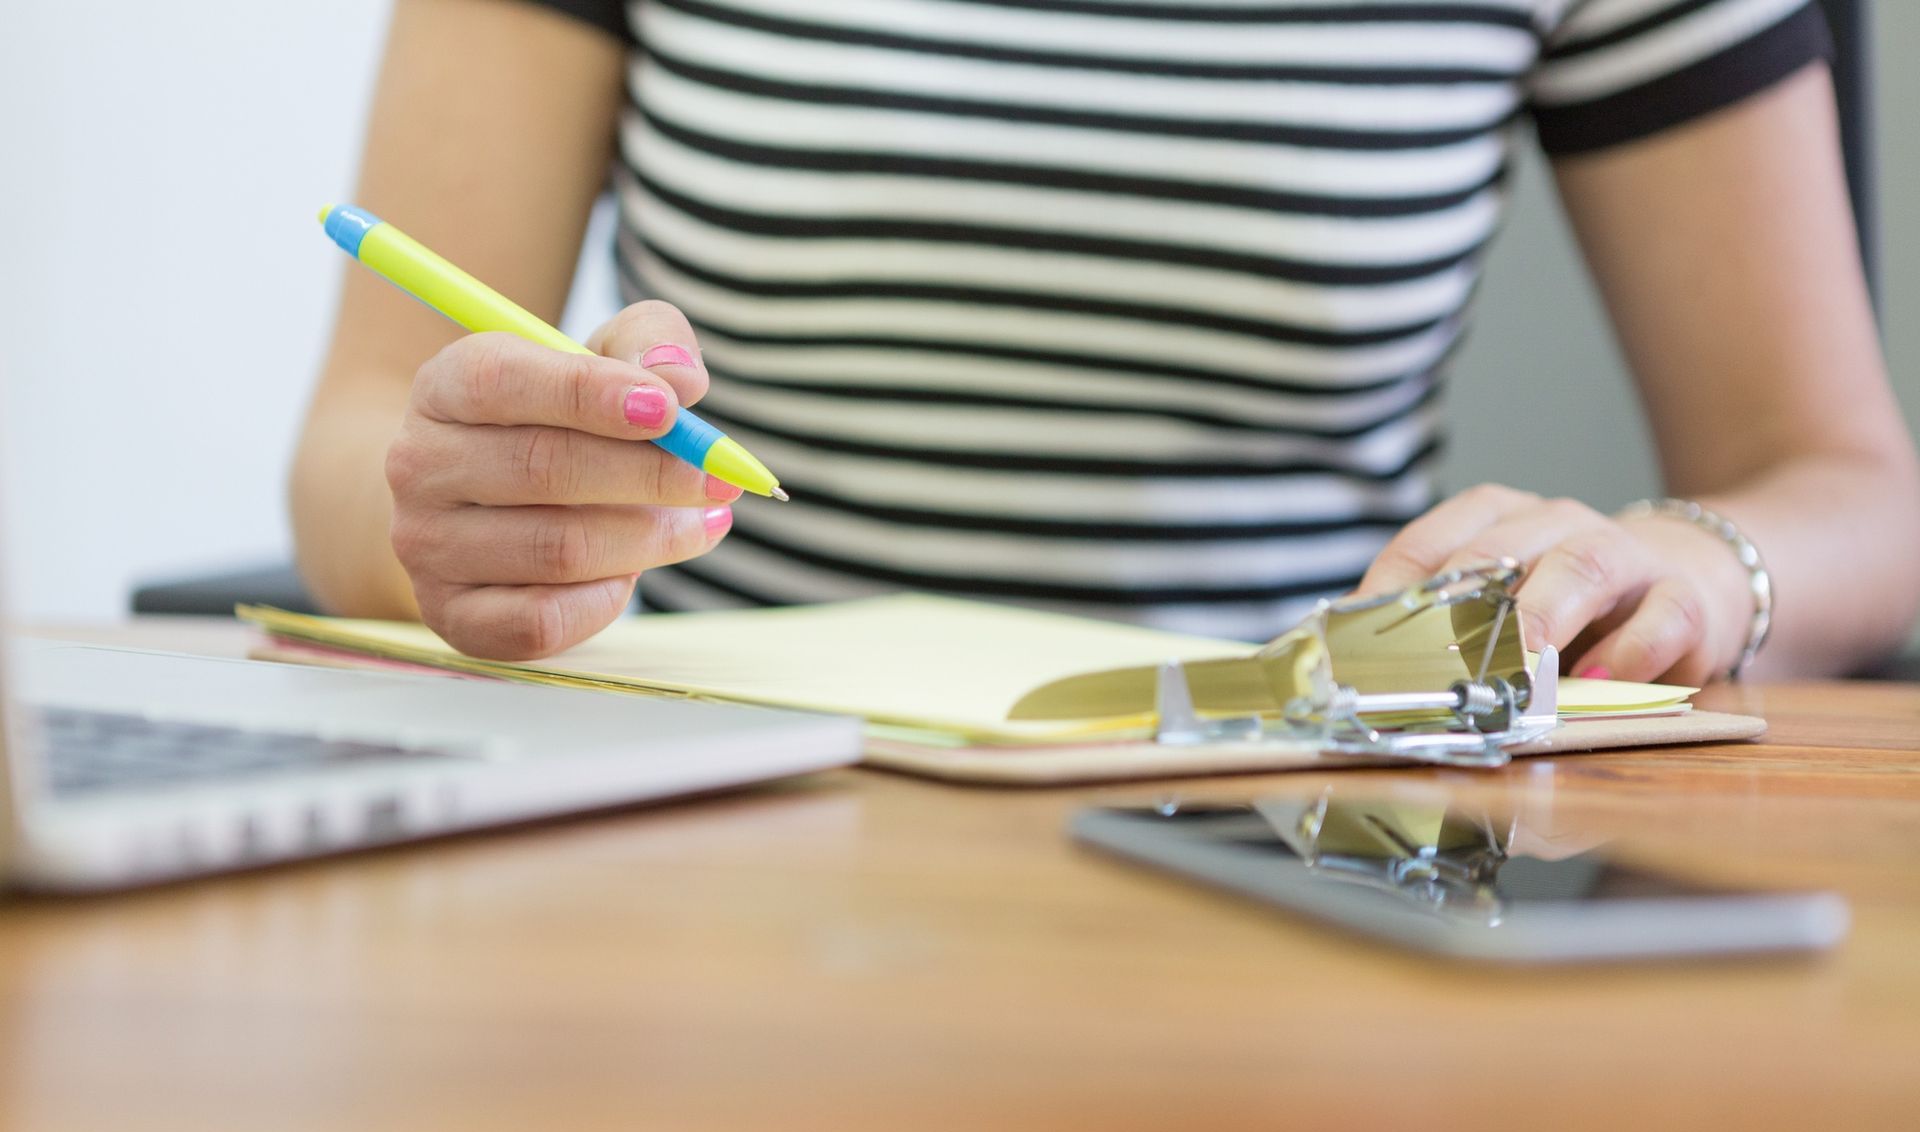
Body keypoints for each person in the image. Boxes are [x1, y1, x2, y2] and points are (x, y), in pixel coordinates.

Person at [293, 0, 1920, 683]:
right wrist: (475, 510)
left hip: (1289, 819)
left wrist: (1700, 571)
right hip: (703, 793)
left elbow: (1848, 483)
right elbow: (356, 432)